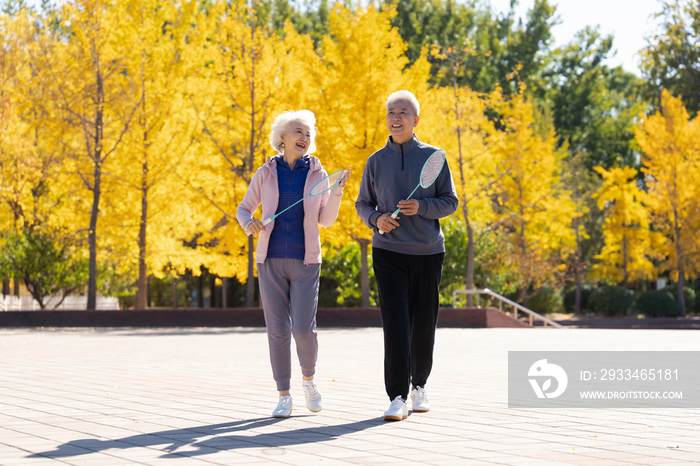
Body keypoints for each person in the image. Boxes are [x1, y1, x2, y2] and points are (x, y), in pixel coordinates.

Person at [236, 110, 351, 418]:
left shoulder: (316, 172)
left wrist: (337, 191)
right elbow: (244, 208)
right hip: (270, 260)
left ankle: (309, 380)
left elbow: (325, 219)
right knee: (277, 330)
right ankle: (283, 395)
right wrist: (250, 224)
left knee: (303, 328)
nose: (304, 137)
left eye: (308, 134)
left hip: (306, 262)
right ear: (282, 139)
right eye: (298, 132)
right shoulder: (265, 172)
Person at [355, 90, 458, 421]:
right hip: (388, 252)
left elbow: (450, 201)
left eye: (402, 112)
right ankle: (397, 395)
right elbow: (362, 204)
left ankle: (419, 387)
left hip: (428, 253)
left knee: (423, 323)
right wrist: (376, 219)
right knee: (395, 324)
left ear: (416, 120)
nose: (395, 117)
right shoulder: (375, 161)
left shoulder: (434, 157)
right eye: (390, 112)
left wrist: (422, 207)